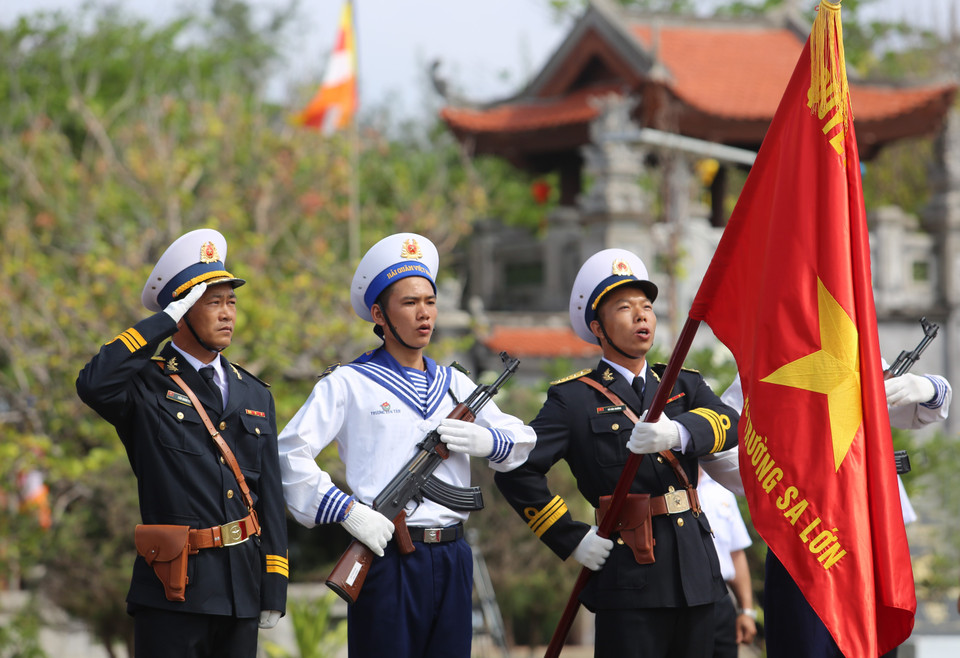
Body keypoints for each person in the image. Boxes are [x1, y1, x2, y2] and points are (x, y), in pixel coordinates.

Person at [276, 232, 536, 658]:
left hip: (452, 556)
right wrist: (348, 511)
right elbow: (288, 453)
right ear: (379, 313)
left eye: (430, 302)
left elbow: (523, 439)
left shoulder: (455, 383)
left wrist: (485, 439)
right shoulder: (349, 383)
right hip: (387, 555)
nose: (424, 315)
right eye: (410, 303)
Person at [494, 248, 740, 658]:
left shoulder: (683, 384)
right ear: (598, 327)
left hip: (695, 573)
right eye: (624, 308)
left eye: (646, 307)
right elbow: (516, 469)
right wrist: (571, 539)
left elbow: (730, 423)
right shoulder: (572, 400)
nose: (641, 316)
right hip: (629, 580)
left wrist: (676, 431)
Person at [76, 229, 288, 658]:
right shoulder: (144, 386)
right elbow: (93, 384)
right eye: (213, 302)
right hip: (175, 593)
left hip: (240, 590)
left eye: (231, 301)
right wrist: (162, 322)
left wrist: (274, 582)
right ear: (183, 310)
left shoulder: (254, 394)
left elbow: (270, 495)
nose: (228, 313)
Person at [721, 366, 951, 658]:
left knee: (872, 644)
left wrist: (925, 387)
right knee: (805, 642)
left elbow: (931, 407)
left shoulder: (850, 350)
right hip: (805, 534)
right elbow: (724, 441)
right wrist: (783, 486)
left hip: (868, 538)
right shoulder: (766, 360)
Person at [698, 469, 757, 658]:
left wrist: (746, 610)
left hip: (721, 599)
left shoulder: (721, 485)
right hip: (682, 598)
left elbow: (735, 553)